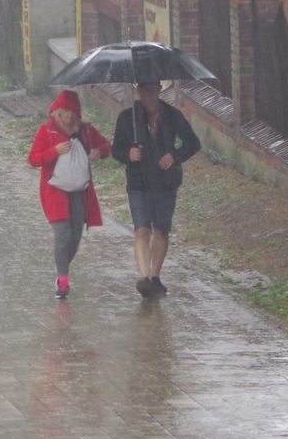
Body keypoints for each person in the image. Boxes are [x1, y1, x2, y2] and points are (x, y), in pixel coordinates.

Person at [110, 81, 201, 298]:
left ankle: (154, 275)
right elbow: (116, 150)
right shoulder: (127, 118)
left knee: (161, 230)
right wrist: (128, 154)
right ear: (138, 91)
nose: (147, 94)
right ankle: (144, 277)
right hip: (138, 181)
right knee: (142, 229)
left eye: (151, 89)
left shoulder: (172, 115)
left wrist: (175, 155)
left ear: (159, 88)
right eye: (142, 89)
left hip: (165, 182)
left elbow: (192, 143)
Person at [27, 90, 111, 299]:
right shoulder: (46, 131)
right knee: (62, 234)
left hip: (79, 191)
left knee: (75, 236)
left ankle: (62, 265)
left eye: (73, 114)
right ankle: (62, 279)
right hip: (54, 192)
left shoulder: (86, 131)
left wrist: (98, 152)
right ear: (57, 112)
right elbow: (33, 159)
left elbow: (106, 145)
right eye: (65, 113)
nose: (69, 117)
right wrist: (54, 151)